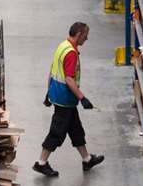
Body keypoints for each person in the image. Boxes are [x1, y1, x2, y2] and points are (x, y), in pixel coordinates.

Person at [33, 22, 104, 177]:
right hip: (64, 99)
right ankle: (41, 163)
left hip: (60, 96)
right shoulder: (71, 53)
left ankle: (87, 159)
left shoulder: (63, 45)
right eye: (85, 35)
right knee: (56, 132)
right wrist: (82, 97)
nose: (87, 38)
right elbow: (69, 79)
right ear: (78, 34)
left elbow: (52, 69)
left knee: (76, 130)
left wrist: (48, 91)